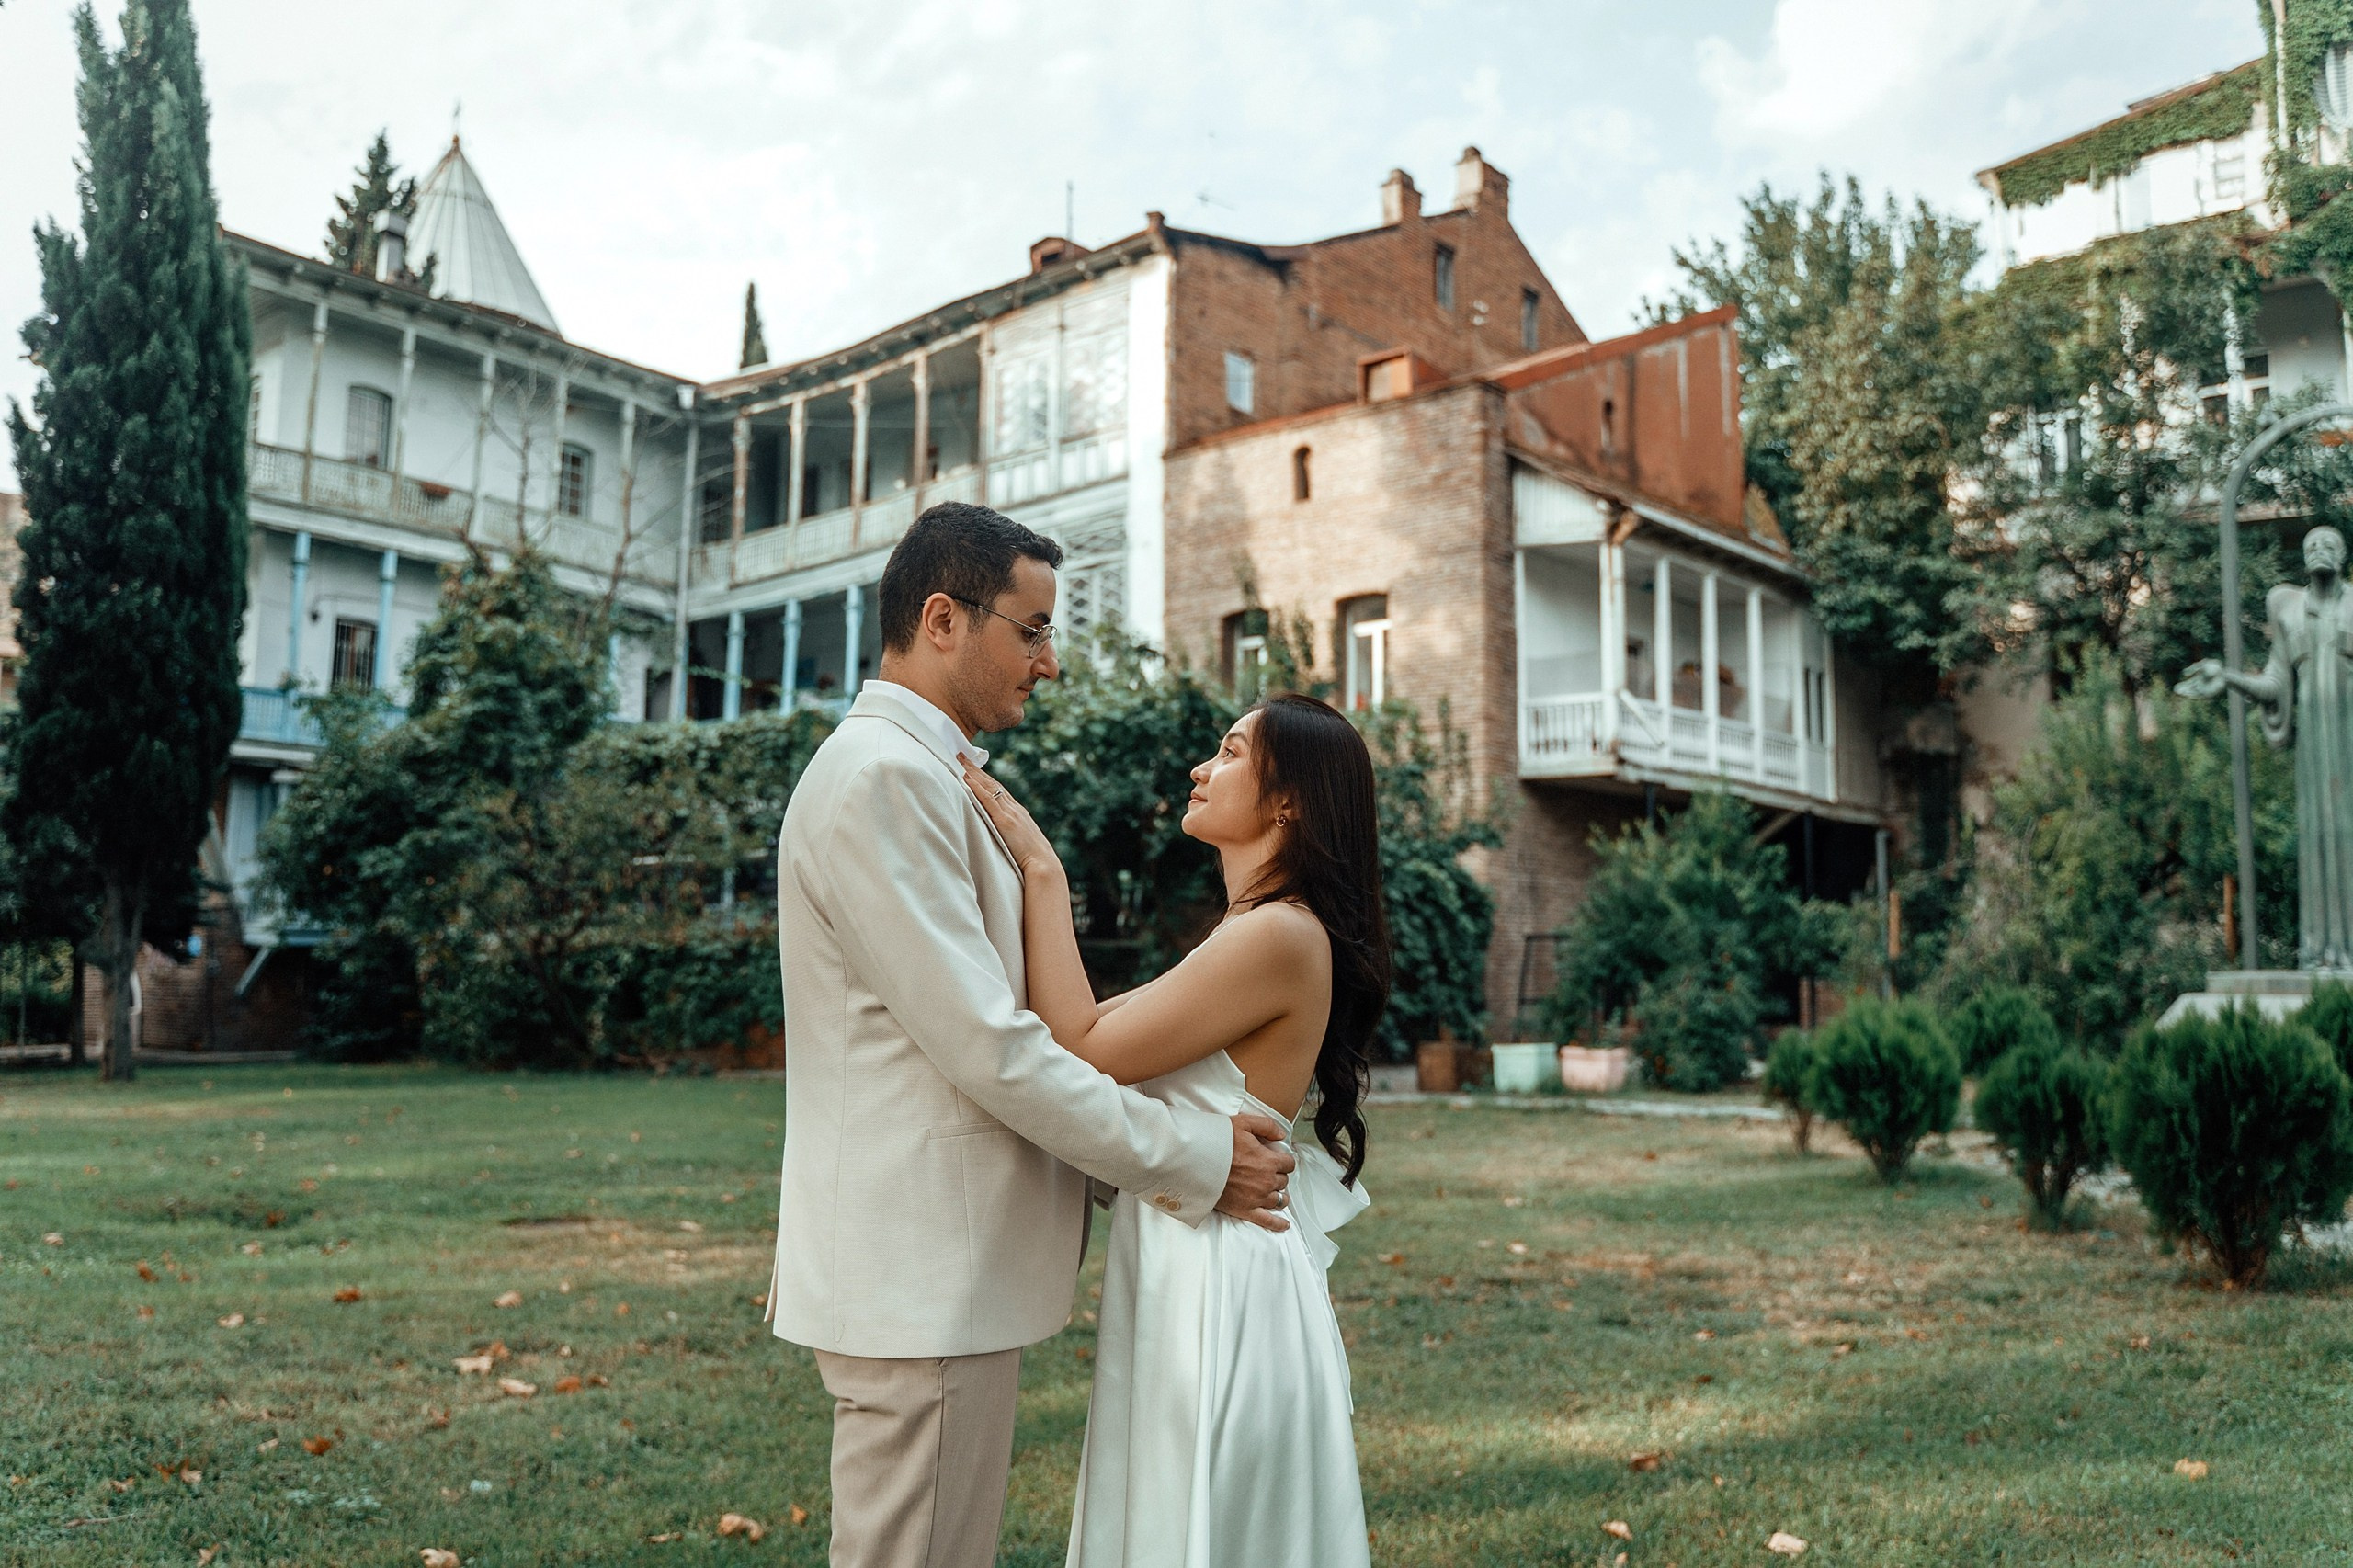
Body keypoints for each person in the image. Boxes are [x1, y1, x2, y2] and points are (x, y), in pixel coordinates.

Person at [767, 503, 1300, 1568]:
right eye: (1035, 629)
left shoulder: (923, 773)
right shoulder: (882, 780)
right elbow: (989, 1047)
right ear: (943, 618)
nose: (1049, 663)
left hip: (936, 1276)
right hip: (921, 1277)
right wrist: (1191, 1159)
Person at [964, 691, 1389, 1568]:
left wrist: (1043, 874)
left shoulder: (1275, 934)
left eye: (1230, 752)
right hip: (1190, 1255)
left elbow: (1078, 1047)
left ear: (1289, 800)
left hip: (1219, 1277)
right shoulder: (1250, 932)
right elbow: (1069, 1032)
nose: (1201, 767)